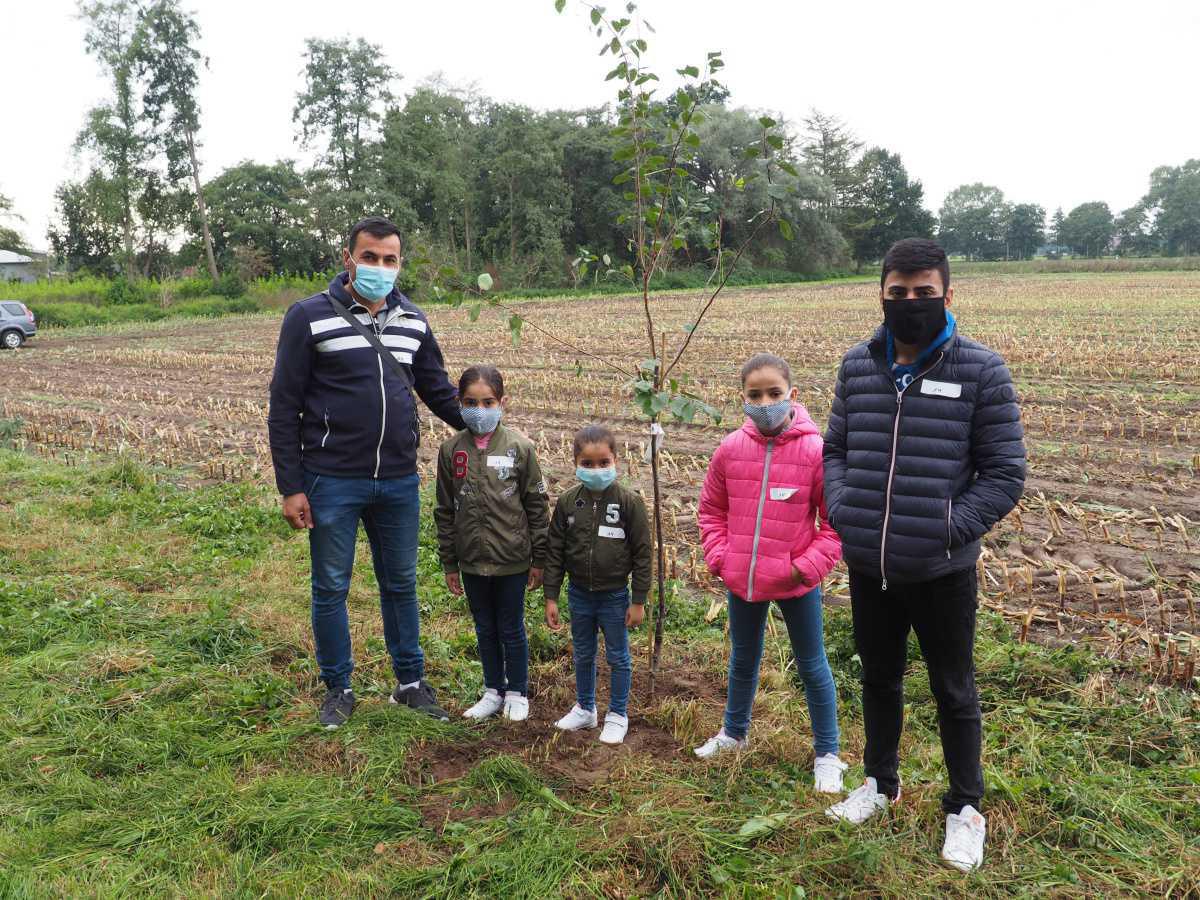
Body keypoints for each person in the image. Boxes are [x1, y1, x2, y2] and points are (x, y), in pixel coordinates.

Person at [822, 238, 1026, 872]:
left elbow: (1004, 473)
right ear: (882, 292)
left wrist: (946, 528)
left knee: (953, 690)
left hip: (942, 571)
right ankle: (880, 784)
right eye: (898, 293)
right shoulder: (858, 367)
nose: (911, 303)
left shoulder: (981, 370)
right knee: (878, 679)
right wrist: (845, 510)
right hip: (871, 566)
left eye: (924, 293)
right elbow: (834, 450)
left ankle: (965, 808)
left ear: (947, 294)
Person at [268, 215, 467, 729]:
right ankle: (339, 688)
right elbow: (284, 404)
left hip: (399, 478)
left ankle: (410, 683)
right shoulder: (308, 317)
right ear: (348, 258)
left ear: (400, 264)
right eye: (370, 257)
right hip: (331, 479)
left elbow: (436, 389)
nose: (380, 267)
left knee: (400, 583)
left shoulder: (415, 321)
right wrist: (291, 486)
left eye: (390, 259)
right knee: (331, 586)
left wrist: (482, 425)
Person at [694, 353, 846, 793]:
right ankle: (734, 733)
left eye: (774, 394)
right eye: (755, 395)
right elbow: (711, 511)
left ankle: (828, 754)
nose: (765, 402)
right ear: (742, 398)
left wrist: (804, 568)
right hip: (743, 578)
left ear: (792, 396)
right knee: (743, 658)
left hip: (797, 583)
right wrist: (723, 558)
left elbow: (833, 525)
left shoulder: (816, 451)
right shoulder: (729, 450)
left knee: (812, 663)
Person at [434, 365, 550, 722]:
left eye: (488, 402)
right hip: (471, 560)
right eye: (471, 402)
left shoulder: (520, 448)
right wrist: (450, 562)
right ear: (459, 403)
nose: (479, 410)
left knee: (511, 626)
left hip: (512, 558)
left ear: (502, 403)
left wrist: (539, 558)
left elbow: (536, 505)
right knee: (484, 627)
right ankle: (491, 690)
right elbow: (444, 509)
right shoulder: (452, 450)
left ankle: (517, 690)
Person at [542, 424, 652, 745]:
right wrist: (551, 596)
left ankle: (617, 714)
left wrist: (639, 600)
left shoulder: (629, 503)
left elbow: (643, 554)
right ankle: (586, 708)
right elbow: (555, 552)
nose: (596, 470)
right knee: (583, 653)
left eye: (603, 463)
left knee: (618, 656)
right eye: (587, 464)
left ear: (615, 461)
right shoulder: (567, 503)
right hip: (579, 594)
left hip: (615, 596)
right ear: (575, 462)